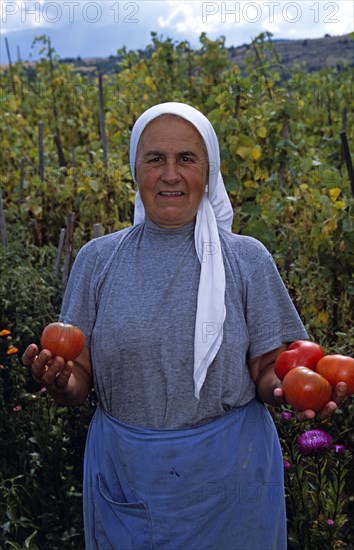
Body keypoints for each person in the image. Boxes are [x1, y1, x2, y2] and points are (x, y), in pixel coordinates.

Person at [22, 102, 347, 550]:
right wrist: (60, 381)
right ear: (135, 169)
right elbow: (79, 376)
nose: (170, 174)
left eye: (187, 159)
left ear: (208, 171)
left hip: (232, 477)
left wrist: (294, 386)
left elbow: (270, 367)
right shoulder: (97, 260)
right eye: (155, 158)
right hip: (129, 474)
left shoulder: (247, 260)